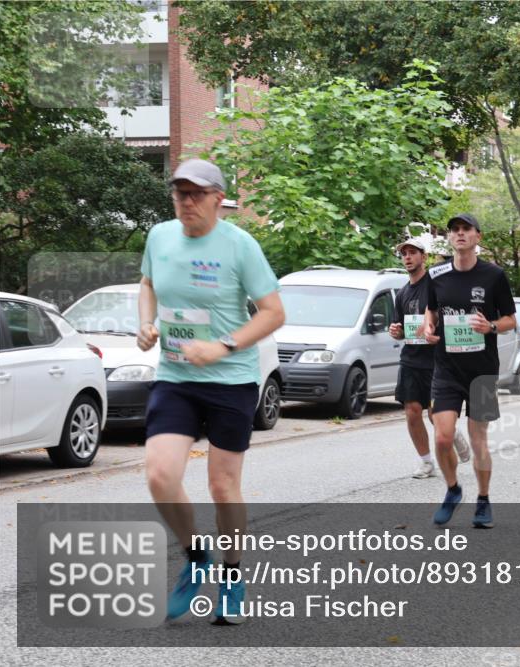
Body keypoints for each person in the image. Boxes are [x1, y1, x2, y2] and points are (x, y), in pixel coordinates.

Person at [137, 158, 286, 624]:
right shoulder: (160, 236)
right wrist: (145, 322)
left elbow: (273, 312)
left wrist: (222, 346)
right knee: (160, 474)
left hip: (231, 379)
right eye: (179, 192)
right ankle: (195, 556)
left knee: (223, 489)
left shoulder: (240, 246)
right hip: (177, 377)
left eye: (196, 193)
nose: (186, 201)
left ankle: (233, 575)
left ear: (218, 199)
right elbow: (147, 284)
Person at [422, 213, 517, 528]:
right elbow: (431, 310)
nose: (460, 234)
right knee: (443, 437)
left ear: (478, 237)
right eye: (455, 230)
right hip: (446, 368)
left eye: (466, 230)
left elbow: (510, 321)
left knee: (478, 440)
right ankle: (452, 489)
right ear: (450, 238)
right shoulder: (436, 275)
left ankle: (484, 500)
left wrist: (489, 325)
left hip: (481, 371)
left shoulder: (494, 276)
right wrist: (427, 326)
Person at [389, 238, 470, 479]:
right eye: (403, 253)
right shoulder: (402, 293)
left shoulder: (436, 284)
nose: (407, 257)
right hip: (411, 359)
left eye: (412, 252)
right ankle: (426, 462)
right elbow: (400, 327)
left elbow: (452, 312)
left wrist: (434, 326)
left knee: (436, 414)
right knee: (413, 411)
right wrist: (396, 331)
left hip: (437, 359)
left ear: (423, 257)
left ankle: (453, 434)